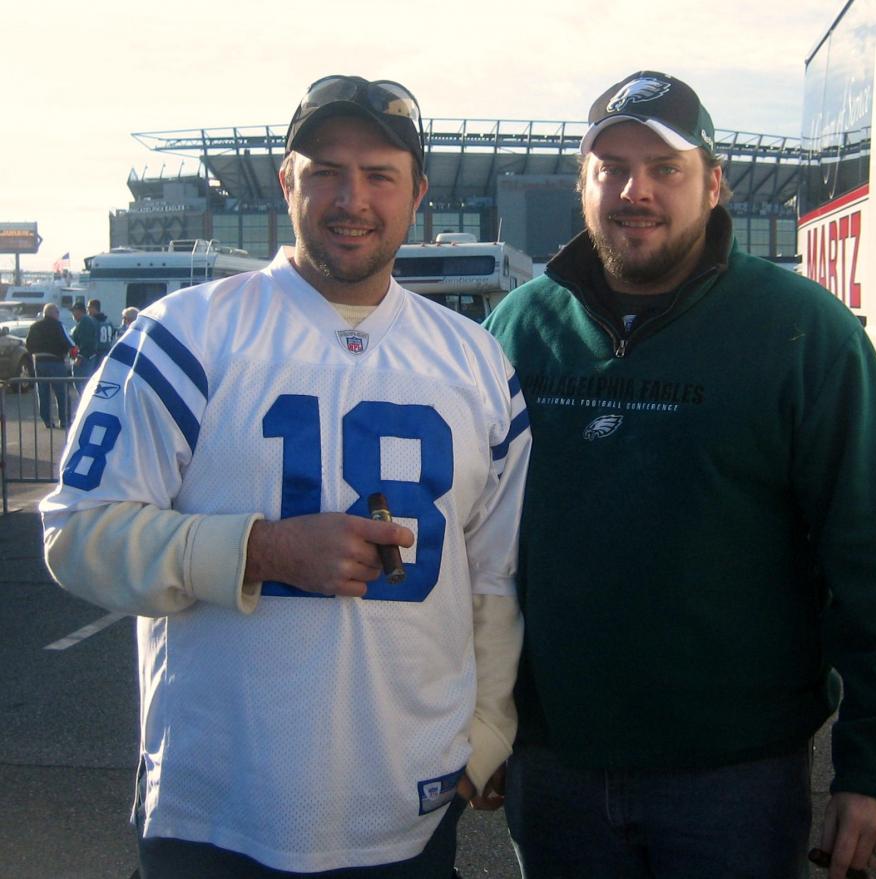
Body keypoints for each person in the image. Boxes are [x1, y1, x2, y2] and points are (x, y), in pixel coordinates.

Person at [41, 75, 530, 878]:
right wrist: (258, 550)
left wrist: (485, 733)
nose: (352, 199)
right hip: (218, 817)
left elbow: (494, 575)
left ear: (417, 195)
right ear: (286, 181)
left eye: (379, 175)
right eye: (327, 171)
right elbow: (76, 532)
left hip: (408, 821)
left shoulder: (475, 361)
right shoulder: (186, 335)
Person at [483, 71, 876, 879]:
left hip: (735, 784)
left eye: (666, 169)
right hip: (554, 771)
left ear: (714, 182)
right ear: (582, 184)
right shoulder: (517, 329)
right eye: (614, 168)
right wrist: (478, 718)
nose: (638, 192)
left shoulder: (803, 333)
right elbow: (469, 546)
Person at [24, 303, 72, 429]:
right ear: (55, 313)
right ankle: (64, 420)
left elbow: (28, 345)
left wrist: (35, 353)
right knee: (61, 393)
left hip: (39, 361)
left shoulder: (35, 326)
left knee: (43, 393)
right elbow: (68, 342)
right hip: (56, 362)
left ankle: (47, 421)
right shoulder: (59, 326)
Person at [69, 300, 98, 392]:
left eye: (74, 311)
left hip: (84, 360)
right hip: (84, 359)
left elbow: (86, 342)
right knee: (81, 384)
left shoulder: (85, 321)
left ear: (79, 311)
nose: (72, 314)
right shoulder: (83, 322)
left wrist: (80, 357)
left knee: (82, 385)